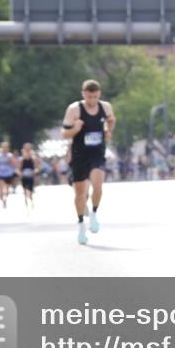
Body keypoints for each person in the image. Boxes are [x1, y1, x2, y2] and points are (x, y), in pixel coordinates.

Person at [61, 79, 116, 245]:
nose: (92, 101)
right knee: (80, 193)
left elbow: (112, 119)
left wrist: (108, 130)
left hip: (97, 152)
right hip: (79, 153)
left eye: (95, 97)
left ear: (99, 94)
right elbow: (64, 134)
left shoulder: (105, 107)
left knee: (98, 185)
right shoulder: (74, 109)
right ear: (83, 94)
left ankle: (93, 214)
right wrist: (75, 129)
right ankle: (81, 226)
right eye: (89, 97)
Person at [18, 142, 40, 211]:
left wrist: (36, 171)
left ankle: (31, 202)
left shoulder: (33, 158)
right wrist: (20, 174)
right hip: (24, 176)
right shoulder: (22, 158)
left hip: (31, 176)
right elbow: (19, 168)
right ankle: (26, 204)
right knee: (24, 191)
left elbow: (37, 167)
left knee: (30, 191)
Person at [0, 142, 16, 209]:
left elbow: (14, 164)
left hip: (8, 173)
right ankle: (2, 198)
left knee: (7, 189)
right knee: (1, 187)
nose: (4, 149)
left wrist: (10, 163)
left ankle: (5, 199)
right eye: (3, 147)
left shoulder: (10, 155)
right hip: (0, 173)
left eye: (6, 147)